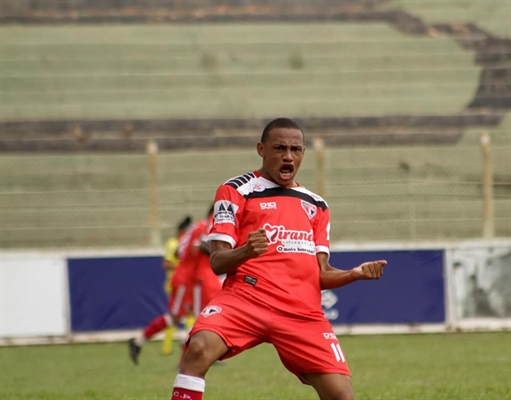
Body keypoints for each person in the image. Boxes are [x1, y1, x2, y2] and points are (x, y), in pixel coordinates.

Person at [170, 118, 387, 400]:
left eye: (295, 149)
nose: (288, 156)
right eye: (279, 148)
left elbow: (321, 274)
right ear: (261, 149)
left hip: (300, 310)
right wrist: (246, 250)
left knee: (341, 395)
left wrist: (354, 273)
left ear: (303, 153)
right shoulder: (235, 191)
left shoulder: (316, 205)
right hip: (246, 298)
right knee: (198, 349)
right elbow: (217, 261)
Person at [161, 215, 193, 355]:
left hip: (185, 284)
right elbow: (166, 263)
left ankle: (188, 345)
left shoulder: (184, 243)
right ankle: (167, 348)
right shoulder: (173, 243)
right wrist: (181, 267)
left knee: (189, 315)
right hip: (176, 284)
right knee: (176, 316)